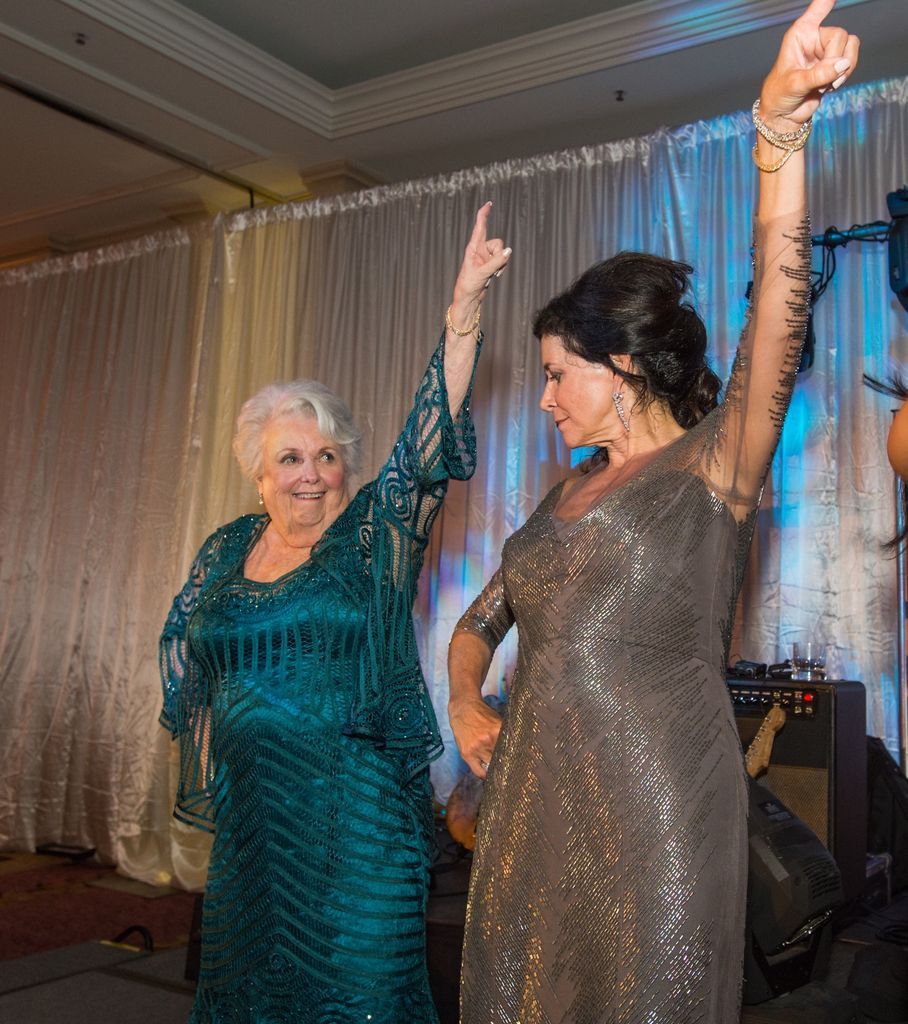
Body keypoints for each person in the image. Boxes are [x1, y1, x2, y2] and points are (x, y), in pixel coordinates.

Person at [448, 3, 859, 1021]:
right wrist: (465, 704)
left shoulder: (712, 464)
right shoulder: (560, 495)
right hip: (533, 805)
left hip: (657, 804)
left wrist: (777, 135)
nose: (541, 397)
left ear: (620, 365)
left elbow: (779, 300)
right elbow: (473, 626)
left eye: (555, 374)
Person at [159, 205, 511, 1024]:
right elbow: (189, 647)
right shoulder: (226, 549)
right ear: (257, 472)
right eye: (290, 458)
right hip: (254, 830)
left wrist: (462, 316)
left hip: (355, 832)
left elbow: (424, 456)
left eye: (327, 457)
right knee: (253, 998)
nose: (310, 475)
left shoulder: (369, 543)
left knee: (359, 1000)